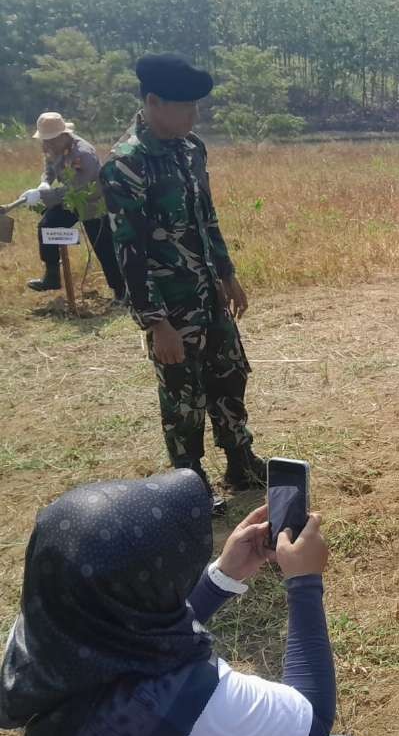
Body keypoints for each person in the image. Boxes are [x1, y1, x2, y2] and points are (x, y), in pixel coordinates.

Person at [0, 469, 364, 736]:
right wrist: (304, 582)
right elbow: (312, 719)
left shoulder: (38, 641)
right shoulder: (198, 701)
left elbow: (136, 634)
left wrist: (222, 575)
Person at [100, 55, 264, 508]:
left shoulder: (191, 149)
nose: (194, 115)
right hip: (170, 308)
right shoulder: (126, 165)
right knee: (183, 401)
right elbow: (128, 255)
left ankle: (241, 461)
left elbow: (206, 218)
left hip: (209, 294)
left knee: (229, 376)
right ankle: (189, 488)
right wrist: (156, 324)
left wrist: (228, 274)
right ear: (153, 101)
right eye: (185, 105)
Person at [19, 112, 125, 302]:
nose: (46, 145)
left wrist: (42, 196)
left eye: (50, 140)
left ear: (63, 135)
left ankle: (121, 292)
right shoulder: (52, 147)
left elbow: (76, 189)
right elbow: (49, 168)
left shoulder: (83, 154)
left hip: (92, 202)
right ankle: (51, 277)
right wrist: (45, 183)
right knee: (47, 225)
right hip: (70, 201)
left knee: (104, 248)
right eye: (45, 140)